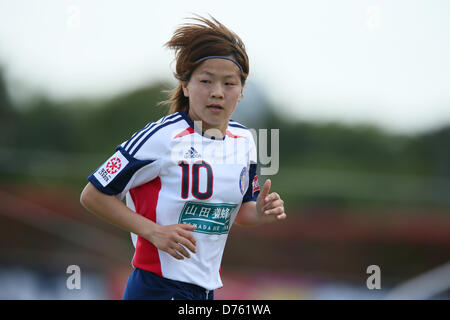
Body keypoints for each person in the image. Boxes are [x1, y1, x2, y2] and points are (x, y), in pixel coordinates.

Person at [80, 15, 286, 300]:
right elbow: (93, 195)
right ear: (186, 87)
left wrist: (260, 212)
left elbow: (241, 212)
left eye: (229, 83)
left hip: (205, 291)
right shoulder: (161, 137)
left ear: (241, 91)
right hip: (156, 288)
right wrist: (153, 232)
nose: (217, 92)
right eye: (205, 80)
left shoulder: (246, 142)